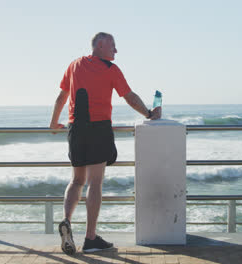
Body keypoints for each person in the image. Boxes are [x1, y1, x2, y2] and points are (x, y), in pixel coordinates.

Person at [49, 32, 161, 255]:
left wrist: (54, 123)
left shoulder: (74, 65)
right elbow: (129, 97)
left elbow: (62, 96)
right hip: (98, 128)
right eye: (113, 46)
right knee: (96, 182)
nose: (116, 51)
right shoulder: (111, 69)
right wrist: (149, 113)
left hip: (76, 128)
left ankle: (66, 221)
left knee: (77, 180)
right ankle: (90, 238)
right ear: (100, 45)